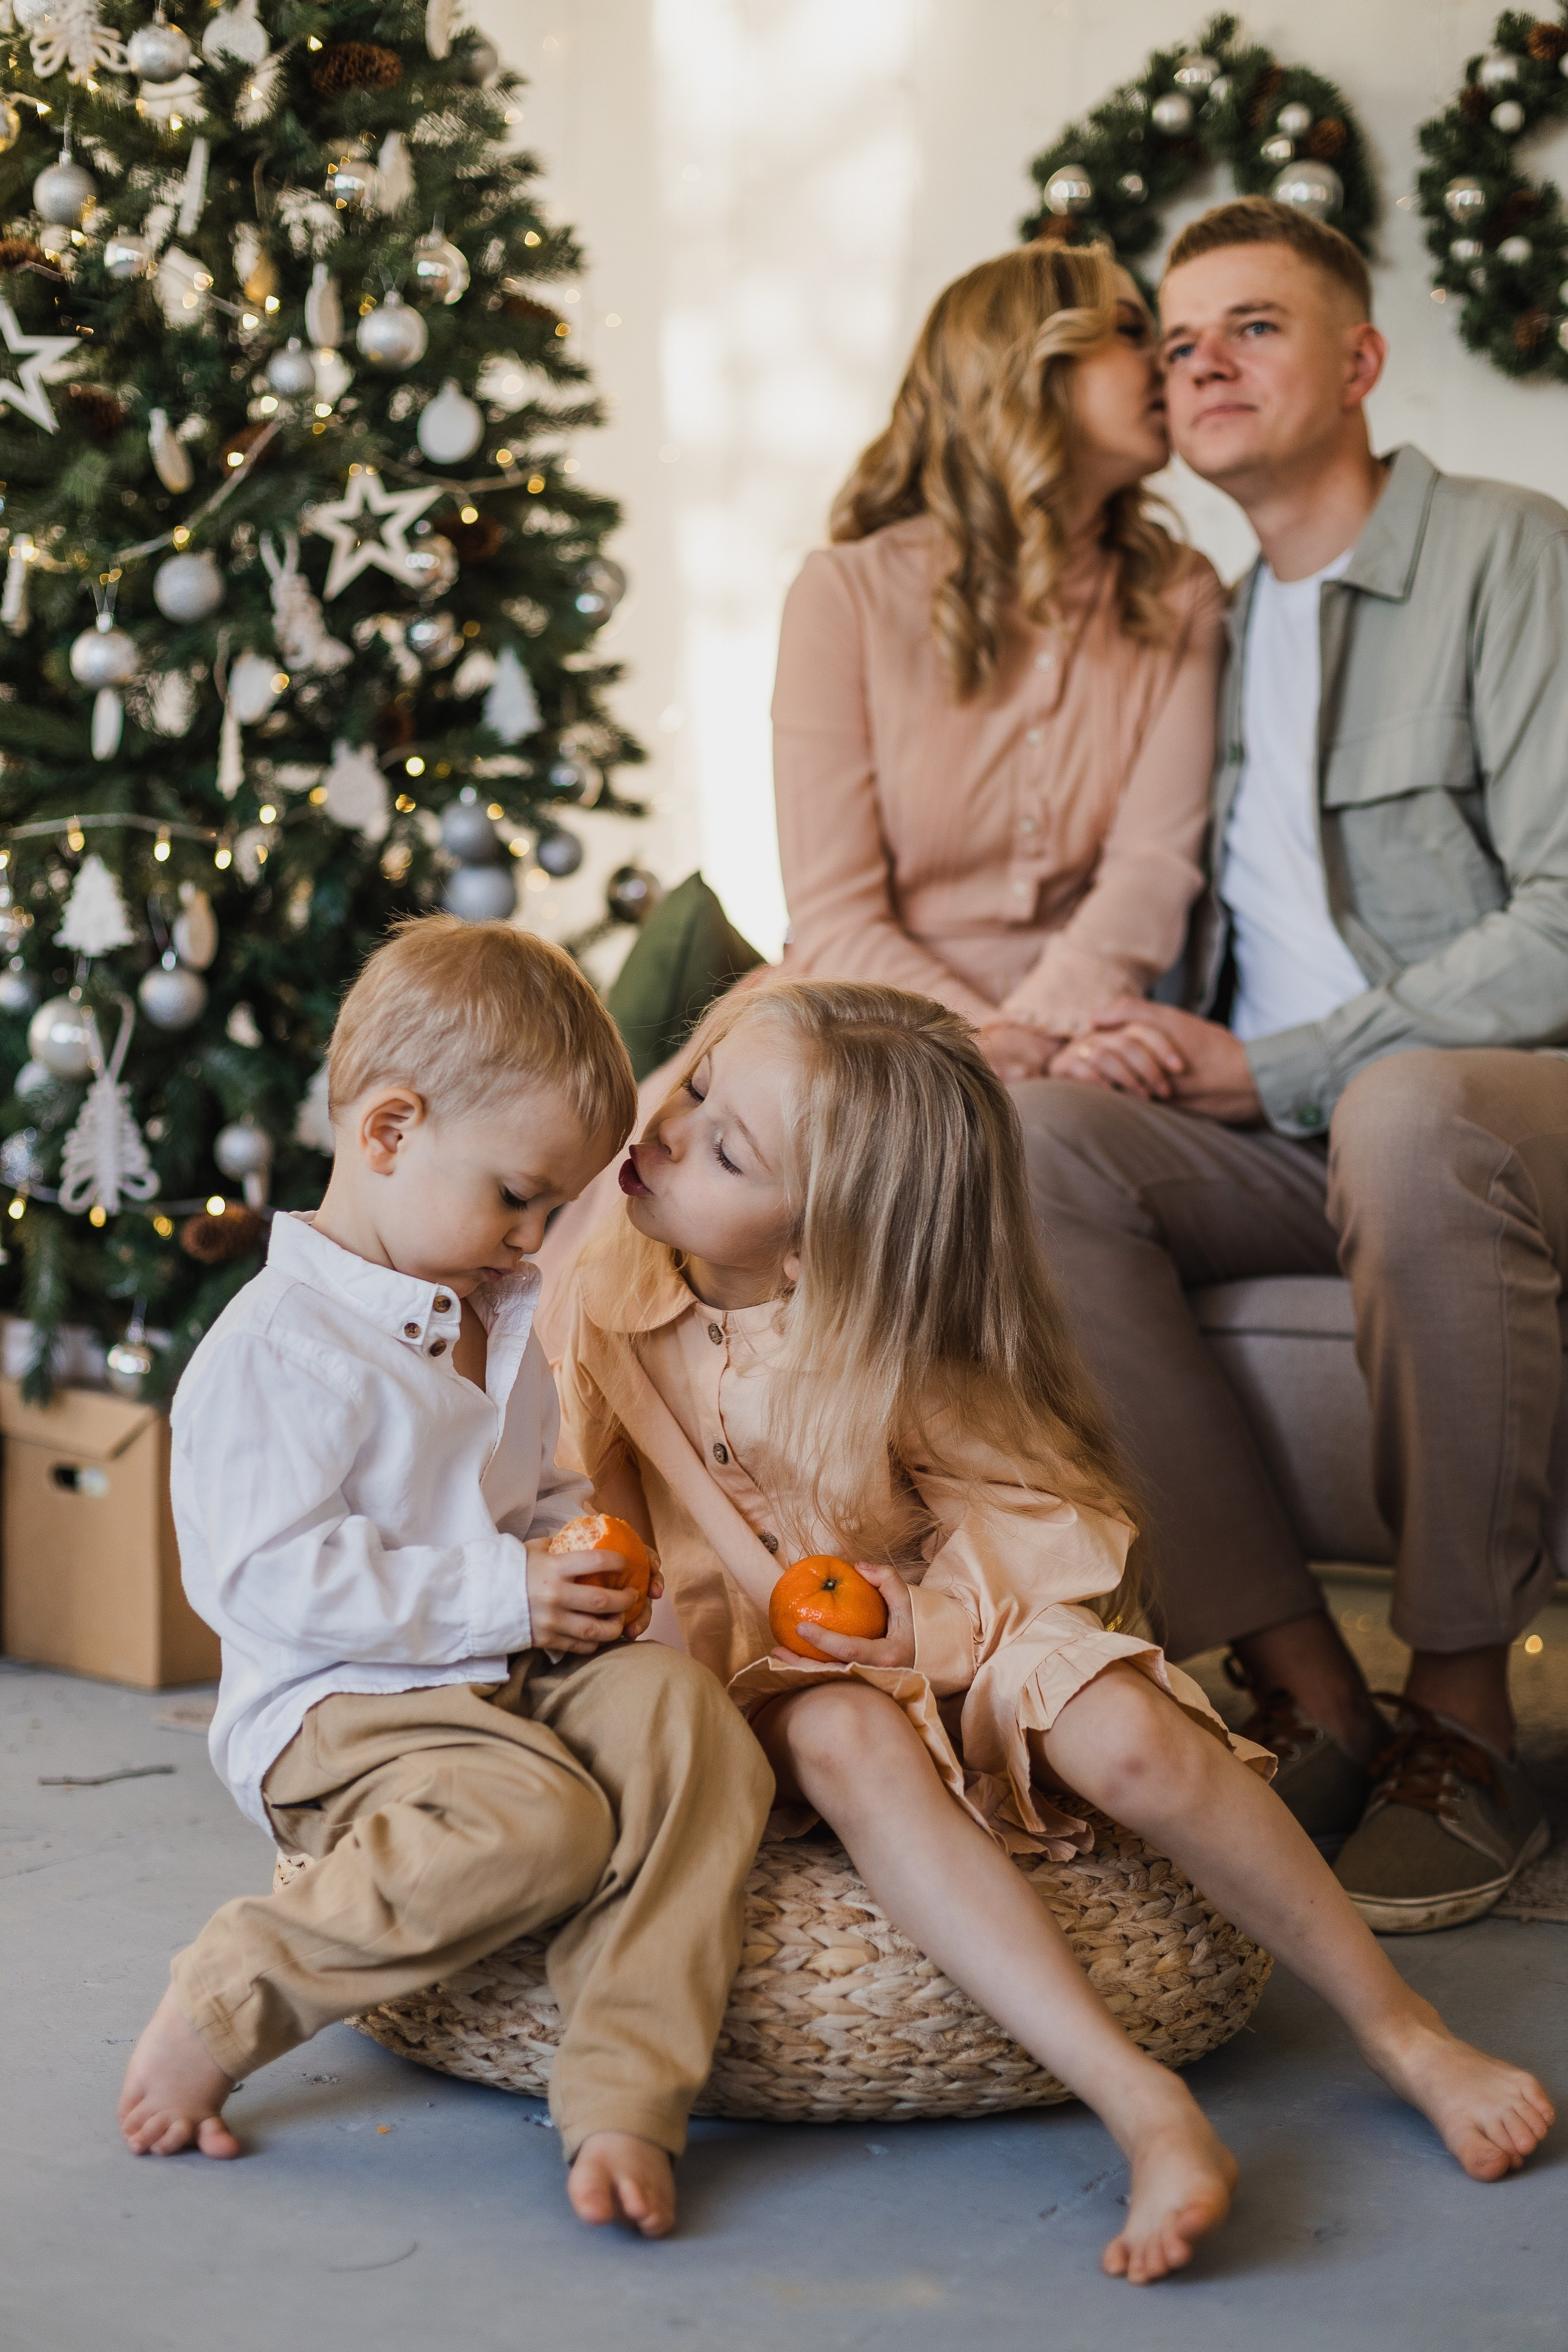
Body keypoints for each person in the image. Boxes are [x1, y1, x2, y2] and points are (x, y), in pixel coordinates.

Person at [557, 979, 1552, 2287]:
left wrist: (929, 1628)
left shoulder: (889, 1348)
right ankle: (1138, 2101)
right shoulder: (601, 1304)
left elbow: (1037, 1530)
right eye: (693, 1086)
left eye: (727, 1147)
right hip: (769, 1679)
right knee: (846, 1734)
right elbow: (580, 1512)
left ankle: (1400, 2026)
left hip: (949, 1622)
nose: (670, 1130)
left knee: (1122, 1728)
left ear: (811, 1247)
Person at [1019, 195, 1568, 1931]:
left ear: (1359, 362)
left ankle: (1460, 1720)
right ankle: (1311, 1694)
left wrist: (1284, 1067)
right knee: (1033, 1140)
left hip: (1502, 1102)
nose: (1203, 363)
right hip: (1291, 1122)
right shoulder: (1206, 622)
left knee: (1405, 1110)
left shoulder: (1508, 554)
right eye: (1178, 342)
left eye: (1252, 326)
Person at [117, 916, 774, 2240]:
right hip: (344, 1706)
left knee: (687, 1717)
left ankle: (624, 2083)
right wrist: (505, 1594)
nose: (532, 1237)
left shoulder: (493, 1314)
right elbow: (267, 1580)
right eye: (517, 1196)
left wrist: (578, 1556)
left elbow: (527, 1493)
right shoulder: (279, 1350)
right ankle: (232, 1991)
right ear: (388, 1132)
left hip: (498, 1664)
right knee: (539, 1819)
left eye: (553, 1208)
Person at [772, 238, 1225, 1081]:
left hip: (1090, 1037)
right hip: (867, 1028)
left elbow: (1154, 869)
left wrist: (1043, 1035)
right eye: (1131, 330)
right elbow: (834, 912)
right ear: (1029, 364)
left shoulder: (1183, 593)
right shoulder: (845, 594)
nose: (1170, 358)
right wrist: (984, 1041)